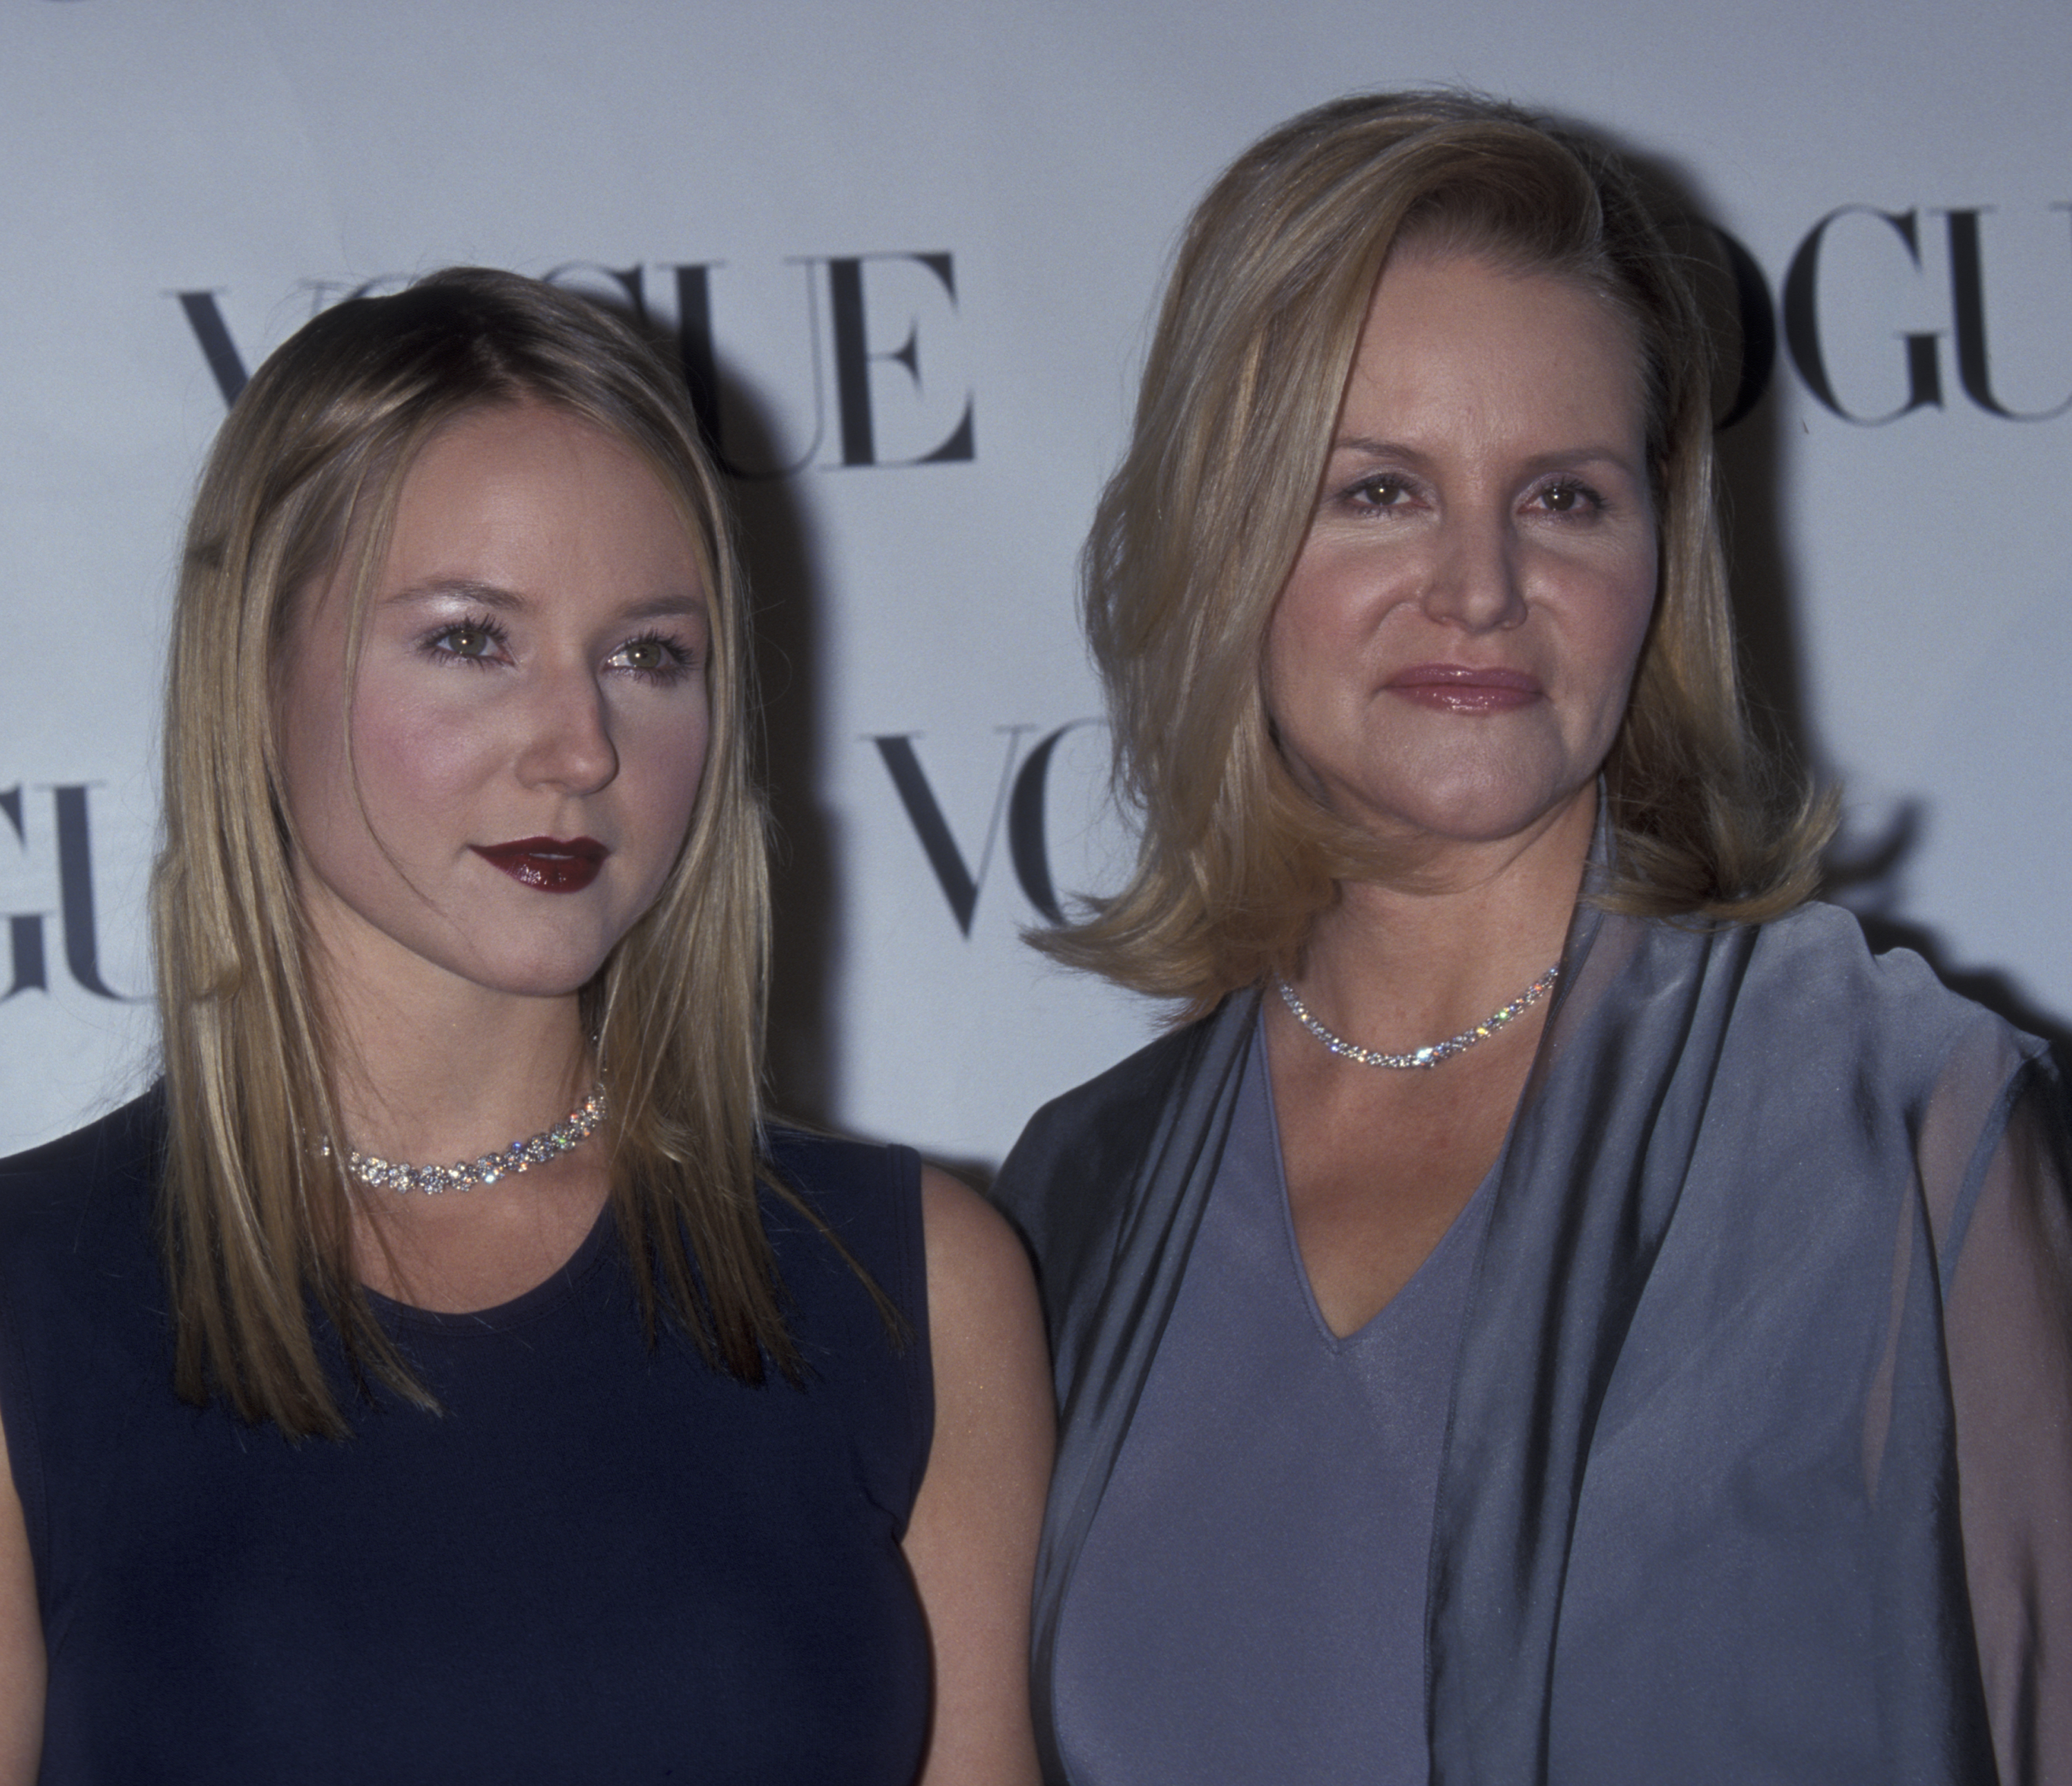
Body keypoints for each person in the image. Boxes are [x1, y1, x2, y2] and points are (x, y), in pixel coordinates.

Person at [994, 92, 2071, 1785]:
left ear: (1660, 554)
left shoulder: (1897, 1123)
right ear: (1228, 542)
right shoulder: (1078, 1208)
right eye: (1378, 492)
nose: (1479, 584)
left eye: (1564, 495)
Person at [0, 269, 1051, 1784]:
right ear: (258, 661)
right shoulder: (32, 1304)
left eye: (650, 656)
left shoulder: (914, 1286)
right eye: (471, 639)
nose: (579, 747)